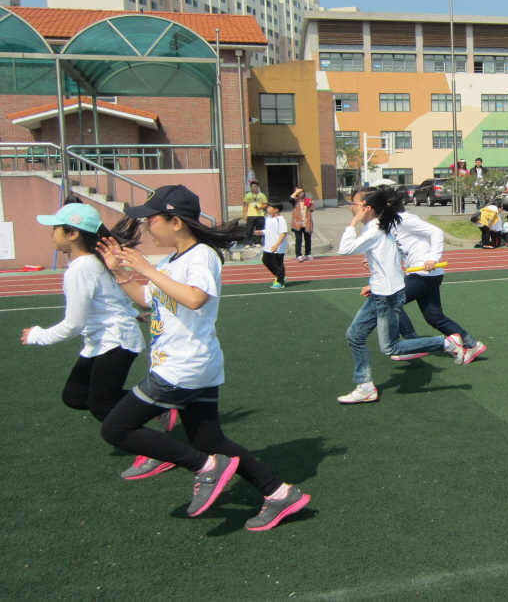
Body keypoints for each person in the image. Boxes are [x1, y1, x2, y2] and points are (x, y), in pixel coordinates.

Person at [97, 185, 310, 531]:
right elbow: (147, 300)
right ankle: (279, 493)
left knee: (116, 428)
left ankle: (205, 467)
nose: (148, 226)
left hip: (183, 368)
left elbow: (195, 299)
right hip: (189, 364)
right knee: (210, 440)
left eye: (152, 218)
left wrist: (146, 270)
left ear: (176, 222)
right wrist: (121, 272)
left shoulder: (202, 256)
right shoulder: (170, 260)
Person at [337, 187, 469, 404]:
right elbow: (393, 256)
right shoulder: (380, 227)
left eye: (354, 203)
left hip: (387, 297)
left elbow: (344, 248)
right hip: (382, 292)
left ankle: (447, 344)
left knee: (390, 347)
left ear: (366, 208)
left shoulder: (375, 229)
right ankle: (365, 386)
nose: (351, 207)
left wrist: (352, 224)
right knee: (355, 335)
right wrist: (374, 278)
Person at [22, 203, 146, 428]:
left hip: (114, 342)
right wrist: (133, 313)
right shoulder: (95, 261)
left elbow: (73, 325)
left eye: (56, 228)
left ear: (73, 233)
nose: (52, 233)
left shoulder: (80, 270)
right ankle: (158, 406)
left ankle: (151, 443)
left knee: (102, 406)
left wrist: (36, 335)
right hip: (106, 340)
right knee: (75, 396)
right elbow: (112, 296)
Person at [385, 192, 487, 364]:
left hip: (424, 274)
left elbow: (436, 232)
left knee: (391, 302)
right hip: (427, 275)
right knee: (434, 317)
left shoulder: (404, 219)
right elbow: (402, 249)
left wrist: (433, 258)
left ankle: (413, 345)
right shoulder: (395, 223)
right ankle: (472, 344)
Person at [260, 201, 288, 289]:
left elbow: (283, 233)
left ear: (276, 209)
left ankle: (280, 282)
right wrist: (261, 232)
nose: (267, 209)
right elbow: (268, 230)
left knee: (278, 264)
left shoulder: (281, 220)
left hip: (278, 247)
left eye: (269, 207)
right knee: (266, 261)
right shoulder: (268, 218)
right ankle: (281, 276)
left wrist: (277, 244)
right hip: (268, 246)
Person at [289, 187, 314, 262]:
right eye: (299, 192)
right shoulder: (295, 201)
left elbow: (312, 210)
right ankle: (298, 255)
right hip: (297, 223)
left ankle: (308, 254)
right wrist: (296, 192)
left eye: (302, 192)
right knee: (298, 240)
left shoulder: (307, 200)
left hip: (307, 222)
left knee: (308, 239)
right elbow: (290, 199)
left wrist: (312, 204)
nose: (301, 193)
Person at [242, 181, 267, 248]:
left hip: (260, 214)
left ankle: (258, 242)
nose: (254, 188)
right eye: (252, 187)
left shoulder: (262, 195)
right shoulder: (248, 195)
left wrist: (260, 207)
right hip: (250, 214)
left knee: (259, 229)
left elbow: (265, 204)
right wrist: (244, 214)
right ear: (250, 187)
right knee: (249, 229)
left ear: (258, 187)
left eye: (255, 186)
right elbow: (245, 205)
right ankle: (248, 243)